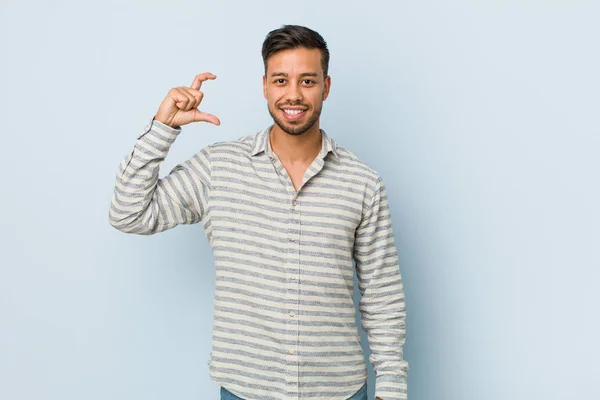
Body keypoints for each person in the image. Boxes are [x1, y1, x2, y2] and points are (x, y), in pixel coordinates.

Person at [109, 24, 408, 400]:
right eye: (281, 80)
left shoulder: (362, 182)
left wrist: (392, 389)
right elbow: (128, 212)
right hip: (244, 390)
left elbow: (383, 295)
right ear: (265, 85)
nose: (294, 95)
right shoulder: (219, 168)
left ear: (326, 87)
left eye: (308, 81)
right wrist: (162, 128)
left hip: (340, 391)